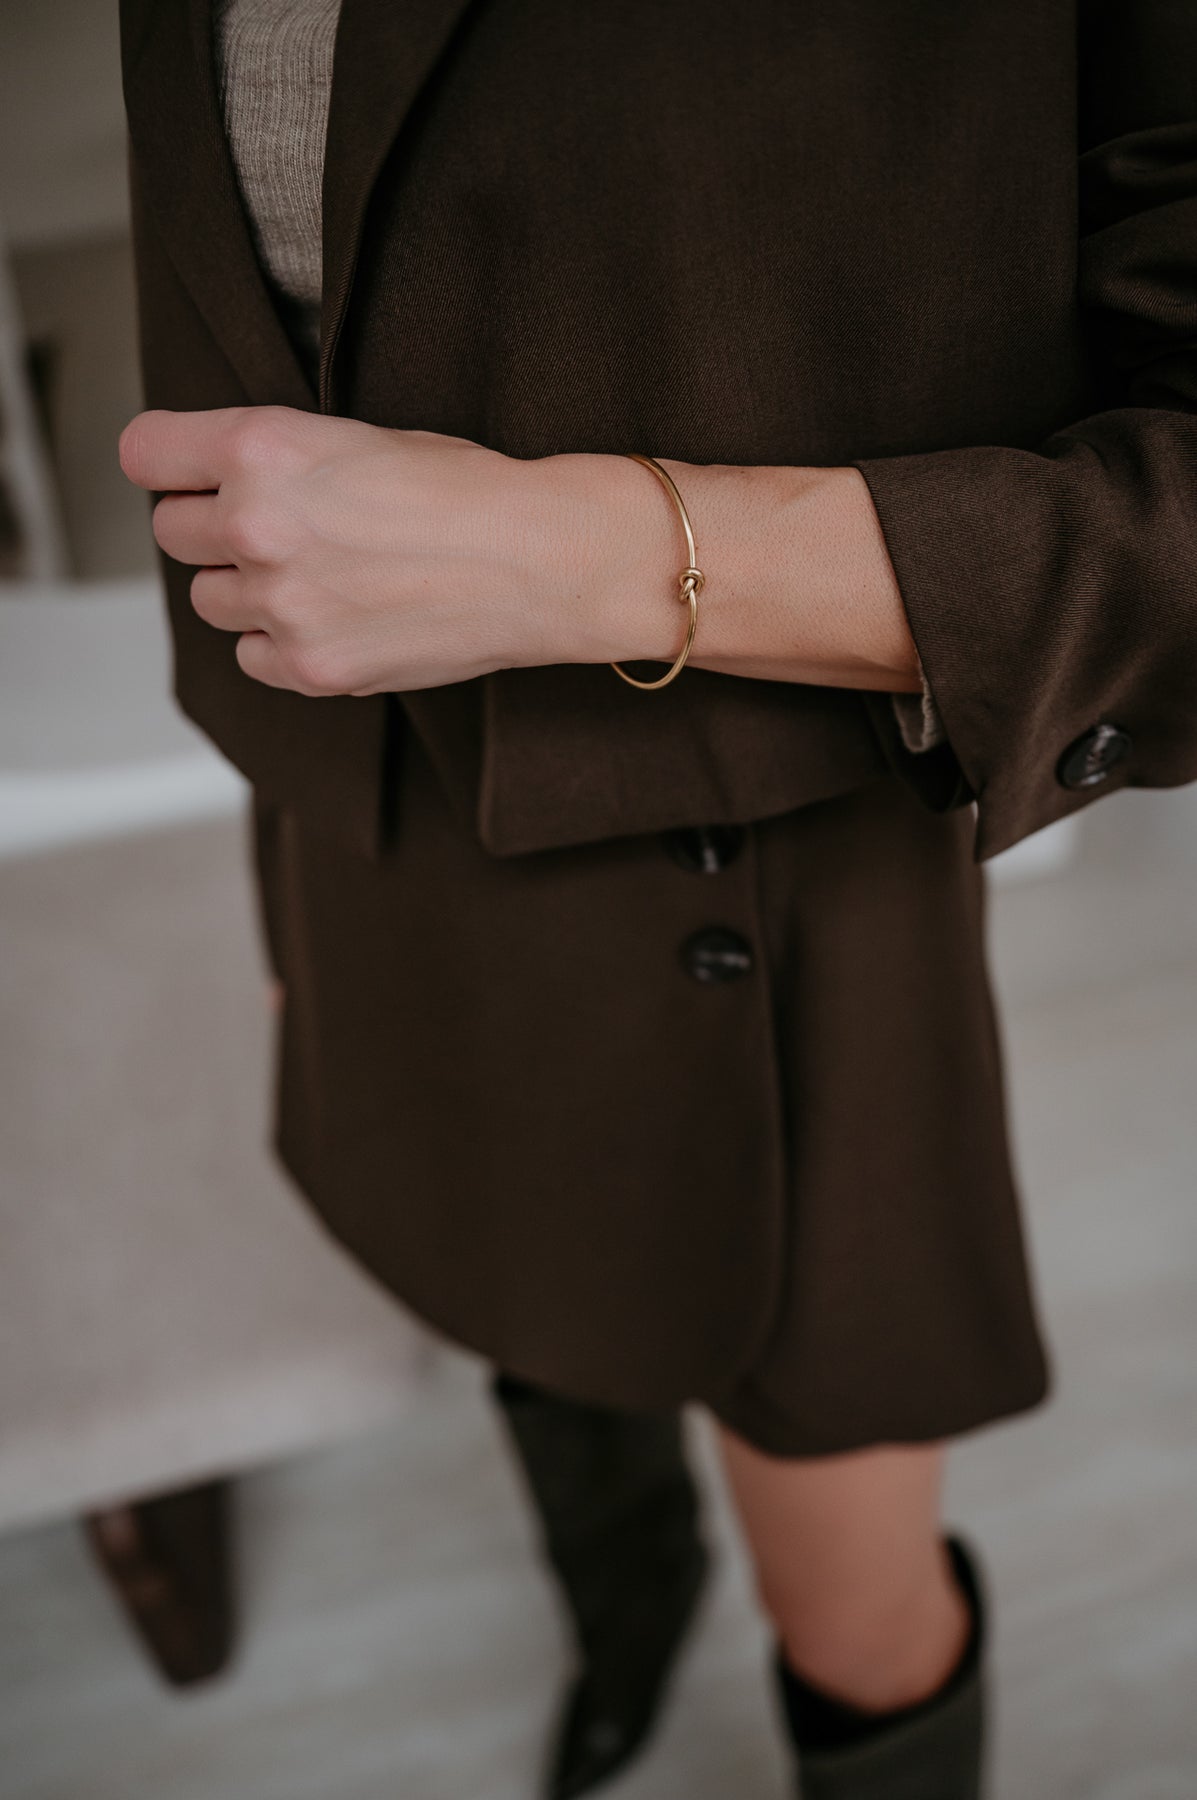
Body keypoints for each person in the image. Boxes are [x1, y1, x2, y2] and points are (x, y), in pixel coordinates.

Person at [117, 2, 1197, 1794]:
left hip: (777, 838)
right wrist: (287, 798)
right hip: (360, 789)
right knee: (523, 1306)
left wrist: (604, 556)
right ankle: (627, 1614)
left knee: (851, 1602)